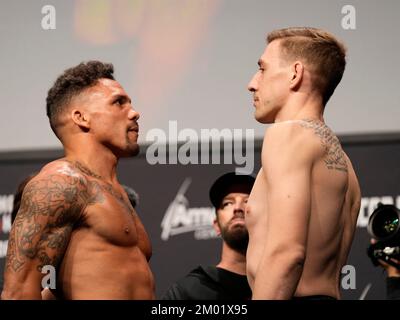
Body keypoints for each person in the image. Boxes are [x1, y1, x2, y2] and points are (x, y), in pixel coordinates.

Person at [1, 61, 155, 299]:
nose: (135, 112)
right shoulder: (60, 183)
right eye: (118, 102)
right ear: (81, 117)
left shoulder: (117, 193)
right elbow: (19, 293)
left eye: (130, 104)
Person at [245, 27, 361, 300]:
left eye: (262, 69)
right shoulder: (344, 162)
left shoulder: (287, 135)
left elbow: (287, 252)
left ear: (295, 74)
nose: (252, 83)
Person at [162, 172, 254, 300]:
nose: (238, 208)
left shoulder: (285, 286)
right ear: (216, 225)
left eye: (248, 201)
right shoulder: (188, 291)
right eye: (227, 203)